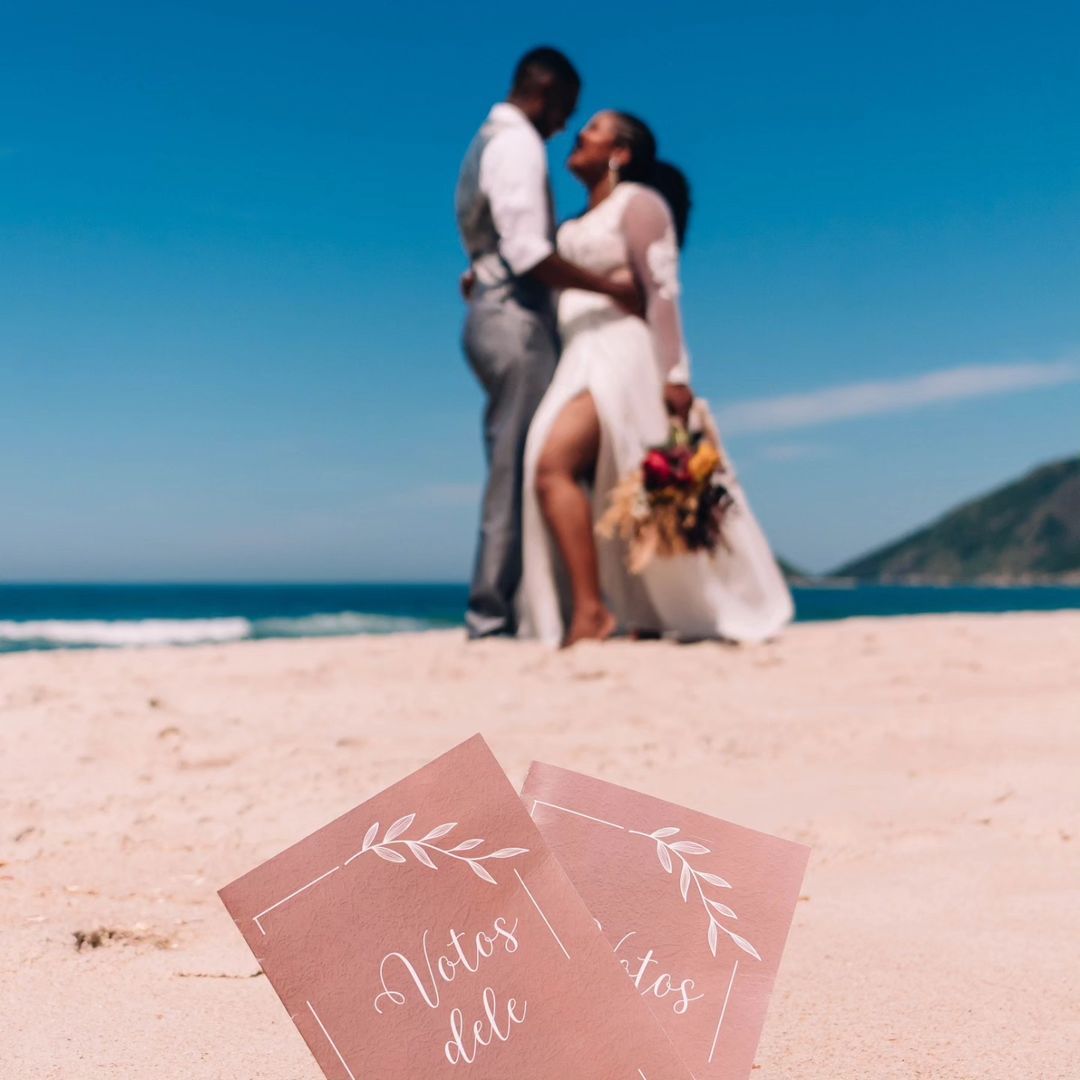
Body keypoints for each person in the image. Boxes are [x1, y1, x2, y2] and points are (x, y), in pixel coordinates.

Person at [517, 110, 794, 646]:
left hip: (623, 353)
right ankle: (625, 607)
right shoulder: (571, 226)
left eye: (594, 129)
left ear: (620, 152)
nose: (580, 135)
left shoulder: (640, 204)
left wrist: (676, 374)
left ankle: (593, 612)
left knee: (564, 465)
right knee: (599, 481)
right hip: (575, 355)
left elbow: (662, 291)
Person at [455, 48, 642, 639]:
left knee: (526, 461)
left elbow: (501, 244)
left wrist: (482, 271)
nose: (567, 125)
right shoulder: (516, 144)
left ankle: (554, 604)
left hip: (496, 313)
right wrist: (611, 288)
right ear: (547, 93)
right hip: (514, 320)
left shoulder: (490, 139)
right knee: (518, 467)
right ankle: (493, 615)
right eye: (567, 109)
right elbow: (528, 253)